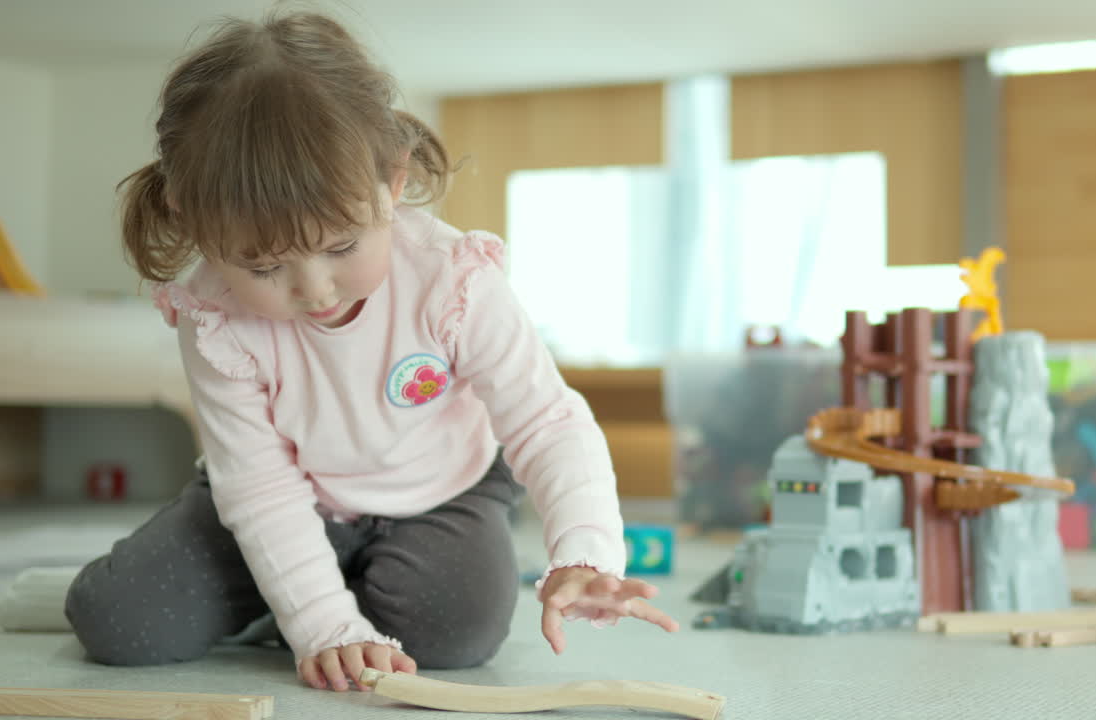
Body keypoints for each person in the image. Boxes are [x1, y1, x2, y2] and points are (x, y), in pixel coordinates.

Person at [63, 10, 677, 692]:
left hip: (439, 494)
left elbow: (547, 421)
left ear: (391, 181)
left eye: (341, 247)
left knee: (455, 637)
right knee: (116, 622)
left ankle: (312, 595)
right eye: (264, 267)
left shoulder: (452, 280)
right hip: (285, 497)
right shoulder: (214, 315)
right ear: (190, 217)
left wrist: (584, 550)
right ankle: (309, 596)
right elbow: (260, 486)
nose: (314, 288)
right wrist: (325, 626)